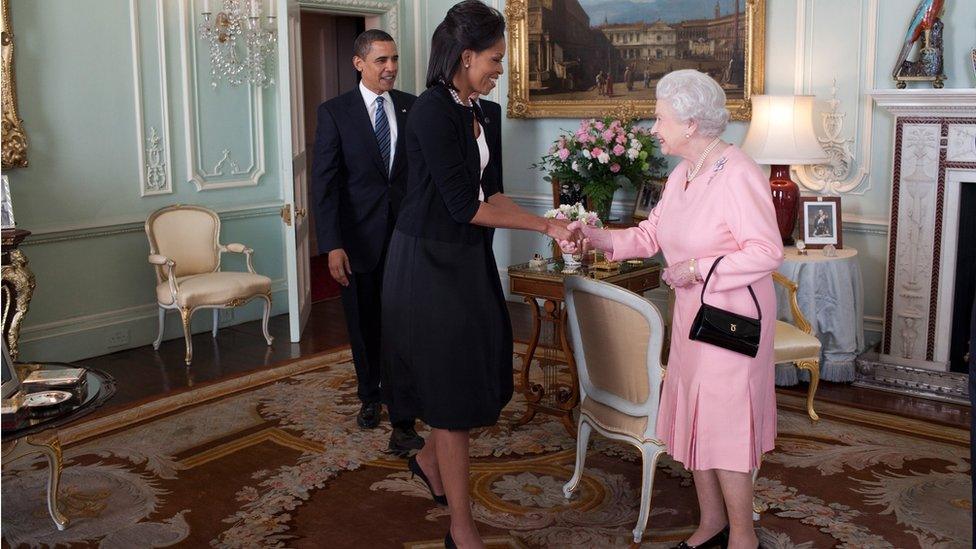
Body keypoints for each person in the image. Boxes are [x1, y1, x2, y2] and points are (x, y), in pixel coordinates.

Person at [562, 69, 783, 549]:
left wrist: (699, 267)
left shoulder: (738, 171)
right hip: (689, 318)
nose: (653, 128)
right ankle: (711, 524)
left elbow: (767, 250)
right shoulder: (684, 173)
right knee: (696, 419)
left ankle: (743, 536)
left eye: (660, 119)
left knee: (724, 426)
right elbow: (650, 235)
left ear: (690, 123)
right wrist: (595, 235)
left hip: (731, 323)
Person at [382, 2, 574, 547]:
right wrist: (545, 227)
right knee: (449, 392)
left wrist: (551, 222)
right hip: (426, 264)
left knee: (475, 372)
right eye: (494, 59)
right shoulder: (430, 113)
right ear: (465, 57)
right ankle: (461, 529)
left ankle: (426, 459)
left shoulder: (483, 111)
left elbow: (494, 195)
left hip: (465, 261)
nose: (500, 69)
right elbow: (465, 206)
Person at [310, 29, 423, 455]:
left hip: (407, 239)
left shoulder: (413, 107)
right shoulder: (334, 113)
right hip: (356, 242)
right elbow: (325, 184)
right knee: (364, 323)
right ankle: (369, 394)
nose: (391, 67)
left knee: (404, 324)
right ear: (359, 63)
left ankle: (404, 411)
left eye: (394, 59)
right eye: (381, 60)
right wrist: (332, 245)